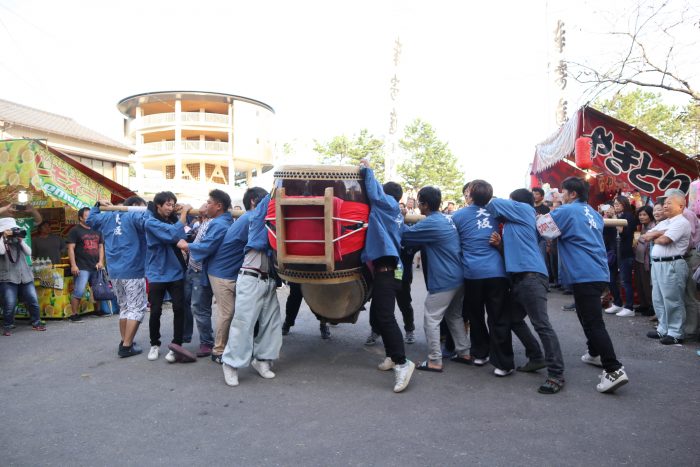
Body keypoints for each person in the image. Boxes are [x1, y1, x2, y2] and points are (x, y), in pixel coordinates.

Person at [549, 176, 628, 393]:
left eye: (562, 192)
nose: (559, 196)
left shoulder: (565, 211)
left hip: (584, 272)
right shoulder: (593, 211)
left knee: (593, 321)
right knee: (585, 315)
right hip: (597, 271)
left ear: (572, 194)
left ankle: (613, 369)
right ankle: (594, 352)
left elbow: (543, 229)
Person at [486, 189, 565, 394]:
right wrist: (500, 245)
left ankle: (556, 374)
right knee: (512, 319)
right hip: (520, 278)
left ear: (516, 203)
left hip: (531, 277)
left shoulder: (523, 210)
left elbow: (492, 204)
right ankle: (536, 356)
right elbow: (513, 251)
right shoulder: (515, 223)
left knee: (542, 325)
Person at [357, 159, 415, 393]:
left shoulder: (387, 204)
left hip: (387, 271)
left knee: (385, 316)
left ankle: (402, 362)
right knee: (382, 316)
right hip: (389, 269)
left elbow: (374, 191)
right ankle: (392, 356)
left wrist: (366, 168)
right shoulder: (394, 214)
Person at [402, 185, 470, 374]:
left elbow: (404, 236)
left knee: (431, 318)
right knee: (454, 316)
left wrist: (397, 217)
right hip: (458, 277)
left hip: (444, 279)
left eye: (419, 202)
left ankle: (434, 360)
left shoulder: (431, 222)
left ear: (423, 205)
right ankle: (464, 352)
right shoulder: (445, 219)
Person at [221, 190, 283, 387]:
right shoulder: (256, 220)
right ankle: (231, 364)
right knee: (244, 323)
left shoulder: (276, 224)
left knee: (271, 324)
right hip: (250, 278)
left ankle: (262, 360)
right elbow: (263, 206)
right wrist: (274, 190)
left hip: (268, 281)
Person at [452, 180, 513, 371]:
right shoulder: (499, 213)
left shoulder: (458, 215)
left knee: (475, 314)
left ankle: (480, 353)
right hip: (497, 272)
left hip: (472, 273)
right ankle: (504, 363)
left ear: (470, 194)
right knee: (498, 317)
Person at [87, 196, 149, 358]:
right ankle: (127, 346)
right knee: (137, 308)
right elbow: (150, 222)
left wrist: (97, 205)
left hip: (114, 270)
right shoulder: (135, 215)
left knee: (125, 307)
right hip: (133, 269)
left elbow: (90, 220)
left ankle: (125, 341)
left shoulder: (108, 216)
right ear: (135, 206)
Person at [207, 188, 261, 364]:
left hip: (231, 271)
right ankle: (218, 351)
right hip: (221, 273)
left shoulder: (246, 217)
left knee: (238, 312)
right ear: (253, 202)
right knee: (227, 313)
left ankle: (235, 346)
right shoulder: (251, 217)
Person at [180, 191, 233, 358]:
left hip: (201, 270)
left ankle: (208, 343)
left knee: (201, 307)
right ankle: (194, 338)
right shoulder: (213, 220)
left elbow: (206, 246)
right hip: (195, 268)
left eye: (209, 202)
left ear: (219, 206)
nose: (205, 205)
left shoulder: (219, 224)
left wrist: (186, 246)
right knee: (192, 305)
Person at [144, 192, 192, 363]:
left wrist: (182, 213)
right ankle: (154, 344)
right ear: (158, 205)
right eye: (168, 205)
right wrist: (184, 213)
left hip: (176, 270)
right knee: (155, 310)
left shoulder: (172, 219)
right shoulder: (150, 222)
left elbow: (183, 234)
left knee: (179, 308)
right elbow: (173, 235)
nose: (171, 208)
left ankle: (176, 344)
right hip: (157, 271)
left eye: (173, 205)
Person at [642, 190, 691, 345]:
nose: (665, 206)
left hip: (672, 263)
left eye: (669, 203)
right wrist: (660, 233)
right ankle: (663, 328)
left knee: (672, 299)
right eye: (665, 203)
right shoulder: (665, 222)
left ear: (681, 206)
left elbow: (663, 241)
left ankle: (676, 332)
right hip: (658, 263)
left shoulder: (681, 222)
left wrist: (657, 235)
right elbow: (645, 236)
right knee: (658, 298)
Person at [0, 216, 46, 335]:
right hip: (8, 278)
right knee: (9, 303)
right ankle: (8, 326)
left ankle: (36, 322)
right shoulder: (1, 241)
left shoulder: (18, 240)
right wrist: (4, 237)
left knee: (33, 300)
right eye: (11, 229)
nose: (13, 231)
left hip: (25, 275)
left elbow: (29, 252)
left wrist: (20, 240)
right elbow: (1, 251)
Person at [66, 207, 105, 322]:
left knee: (98, 289)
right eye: (87, 215)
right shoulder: (75, 230)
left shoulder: (97, 229)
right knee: (79, 290)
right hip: (82, 266)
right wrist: (73, 265)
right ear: (80, 218)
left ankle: (97, 310)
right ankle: (74, 314)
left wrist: (101, 261)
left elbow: (101, 246)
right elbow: (70, 248)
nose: (90, 217)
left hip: (96, 265)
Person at [604, 196, 636, 317]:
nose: (616, 205)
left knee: (625, 281)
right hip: (613, 253)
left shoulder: (628, 216)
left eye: (618, 203)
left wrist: (613, 216)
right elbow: (606, 232)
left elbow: (621, 230)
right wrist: (606, 216)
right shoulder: (615, 216)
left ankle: (629, 307)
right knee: (611, 279)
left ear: (624, 204)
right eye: (614, 204)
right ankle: (617, 303)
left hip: (624, 253)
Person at [633, 206, 656, 317]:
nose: (641, 217)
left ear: (650, 215)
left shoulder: (653, 226)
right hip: (639, 259)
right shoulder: (642, 226)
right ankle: (644, 305)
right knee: (640, 283)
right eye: (640, 215)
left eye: (644, 214)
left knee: (647, 284)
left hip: (647, 260)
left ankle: (651, 306)